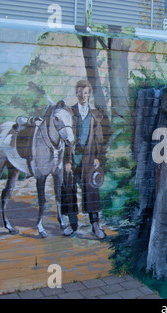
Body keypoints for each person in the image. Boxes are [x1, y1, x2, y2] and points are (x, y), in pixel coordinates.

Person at [61, 80, 109, 239]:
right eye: (80, 93)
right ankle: (73, 224)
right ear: (77, 93)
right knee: (69, 189)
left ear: (89, 94)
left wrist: (98, 158)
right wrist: (67, 160)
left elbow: (99, 139)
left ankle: (95, 225)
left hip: (89, 157)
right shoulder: (70, 112)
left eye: (86, 93)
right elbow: (65, 138)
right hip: (73, 157)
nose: (83, 96)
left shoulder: (95, 114)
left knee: (91, 190)